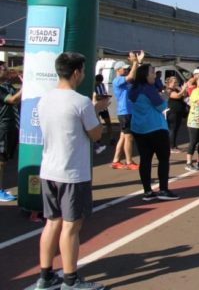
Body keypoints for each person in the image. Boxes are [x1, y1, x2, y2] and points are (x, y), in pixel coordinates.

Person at [31, 52, 104, 290]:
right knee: (71, 226)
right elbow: (95, 134)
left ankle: (45, 276)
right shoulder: (80, 102)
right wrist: (98, 109)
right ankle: (70, 280)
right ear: (76, 73)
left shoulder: (45, 99)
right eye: (82, 70)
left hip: (49, 169)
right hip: (72, 172)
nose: (83, 75)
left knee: (52, 223)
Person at [128, 59, 179, 201]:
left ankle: (147, 191)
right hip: (155, 127)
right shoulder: (148, 90)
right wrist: (166, 97)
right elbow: (162, 107)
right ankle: (163, 189)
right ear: (145, 75)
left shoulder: (134, 89)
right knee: (163, 159)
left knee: (145, 160)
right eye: (152, 72)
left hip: (139, 128)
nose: (154, 75)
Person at [110, 55, 139, 170]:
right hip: (125, 112)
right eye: (124, 68)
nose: (126, 70)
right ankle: (129, 161)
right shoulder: (117, 80)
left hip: (128, 111)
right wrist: (135, 63)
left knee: (123, 137)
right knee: (129, 137)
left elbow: (133, 76)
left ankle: (116, 160)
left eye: (127, 68)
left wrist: (138, 63)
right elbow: (131, 75)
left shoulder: (125, 80)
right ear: (117, 70)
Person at [0, 60, 21, 202]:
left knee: (4, 160)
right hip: (3, 128)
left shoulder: (8, 86)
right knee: (0, 161)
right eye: (3, 69)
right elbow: (12, 100)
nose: (7, 70)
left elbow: (18, 99)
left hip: (12, 128)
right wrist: (27, 85)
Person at [165, 76, 188, 153]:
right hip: (172, 112)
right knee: (172, 129)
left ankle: (174, 145)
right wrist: (183, 89)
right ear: (169, 83)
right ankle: (171, 147)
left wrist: (183, 90)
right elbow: (177, 96)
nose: (176, 83)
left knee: (176, 129)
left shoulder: (176, 89)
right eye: (174, 82)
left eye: (176, 82)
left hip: (178, 112)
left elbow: (184, 95)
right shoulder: (169, 90)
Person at [91, 74, 111, 155]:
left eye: (101, 82)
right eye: (98, 82)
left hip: (103, 107)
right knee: (96, 124)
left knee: (108, 123)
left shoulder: (102, 85)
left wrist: (105, 96)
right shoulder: (93, 86)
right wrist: (102, 97)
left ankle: (111, 138)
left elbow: (104, 93)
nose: (100, 83)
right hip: (97, 107)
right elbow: (95, 97)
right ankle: (96, 141)